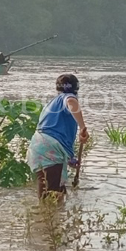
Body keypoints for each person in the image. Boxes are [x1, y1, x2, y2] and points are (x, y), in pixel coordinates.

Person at [26, 74, 89, 202]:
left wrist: (70, 159)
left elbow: (56, 129)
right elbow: (71, 102)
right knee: (52, 194)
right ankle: (48, 213)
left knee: (50, 187)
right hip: (50, 147)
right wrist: (82, 127)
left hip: (38, 146)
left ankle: (50, 214)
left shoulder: (52, 103)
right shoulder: (69, 97)